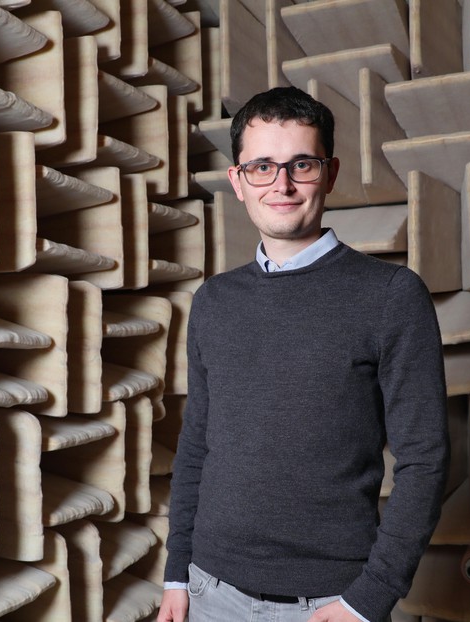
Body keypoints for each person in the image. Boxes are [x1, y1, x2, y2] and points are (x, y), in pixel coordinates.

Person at [156, 86, 450, 622]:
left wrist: (368, 600)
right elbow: (197, 444)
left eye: (302, 165)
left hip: (328, 603)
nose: (282, 185)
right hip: (207, 591)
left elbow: (425, 461)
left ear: (330, 174)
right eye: (262, 166)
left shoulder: (391, 296)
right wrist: (178, 573)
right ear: (238, 182)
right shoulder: (214, 301)